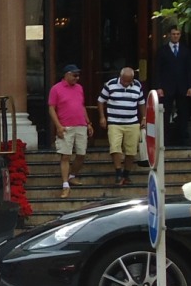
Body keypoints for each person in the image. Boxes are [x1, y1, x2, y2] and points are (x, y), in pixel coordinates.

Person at [48, 64, 93, 198]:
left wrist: (88, 123)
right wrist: (58, 126)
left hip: (80, 125)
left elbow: (81, 106)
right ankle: (65, 185)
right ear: (66, 75)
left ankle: (72, 175)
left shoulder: (79, 88)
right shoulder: (56, 89)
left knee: (81, 154)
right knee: (65, 155)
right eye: (74, 75)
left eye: (78, 75)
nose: (77, 78)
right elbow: (51, 108)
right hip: (66, 126)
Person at [98, 66, 144, 186]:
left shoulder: (137, 85)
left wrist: (144, 118)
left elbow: (141, 103)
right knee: (115, 147)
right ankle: (118, 172)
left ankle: (126, 174)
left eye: (128, 81)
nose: (126, 83)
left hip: (132, 122)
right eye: (124, 80)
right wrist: (102, 117)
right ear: (120, 77)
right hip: (114, 122)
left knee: (131, 151)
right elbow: (100, 100)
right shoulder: (110, 84)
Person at [156, 24, 191, 146]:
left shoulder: (185, 50)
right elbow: (157, 70)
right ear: (169, 35)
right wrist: (158, 87)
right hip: (167, 87)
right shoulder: (162, 51)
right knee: (165, 113)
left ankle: (183, 138)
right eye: (173, 34)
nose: (175, 36)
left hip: (183, 87)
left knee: (183, 112)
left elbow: (190, 69)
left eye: (178, 34)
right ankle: (165, 139)